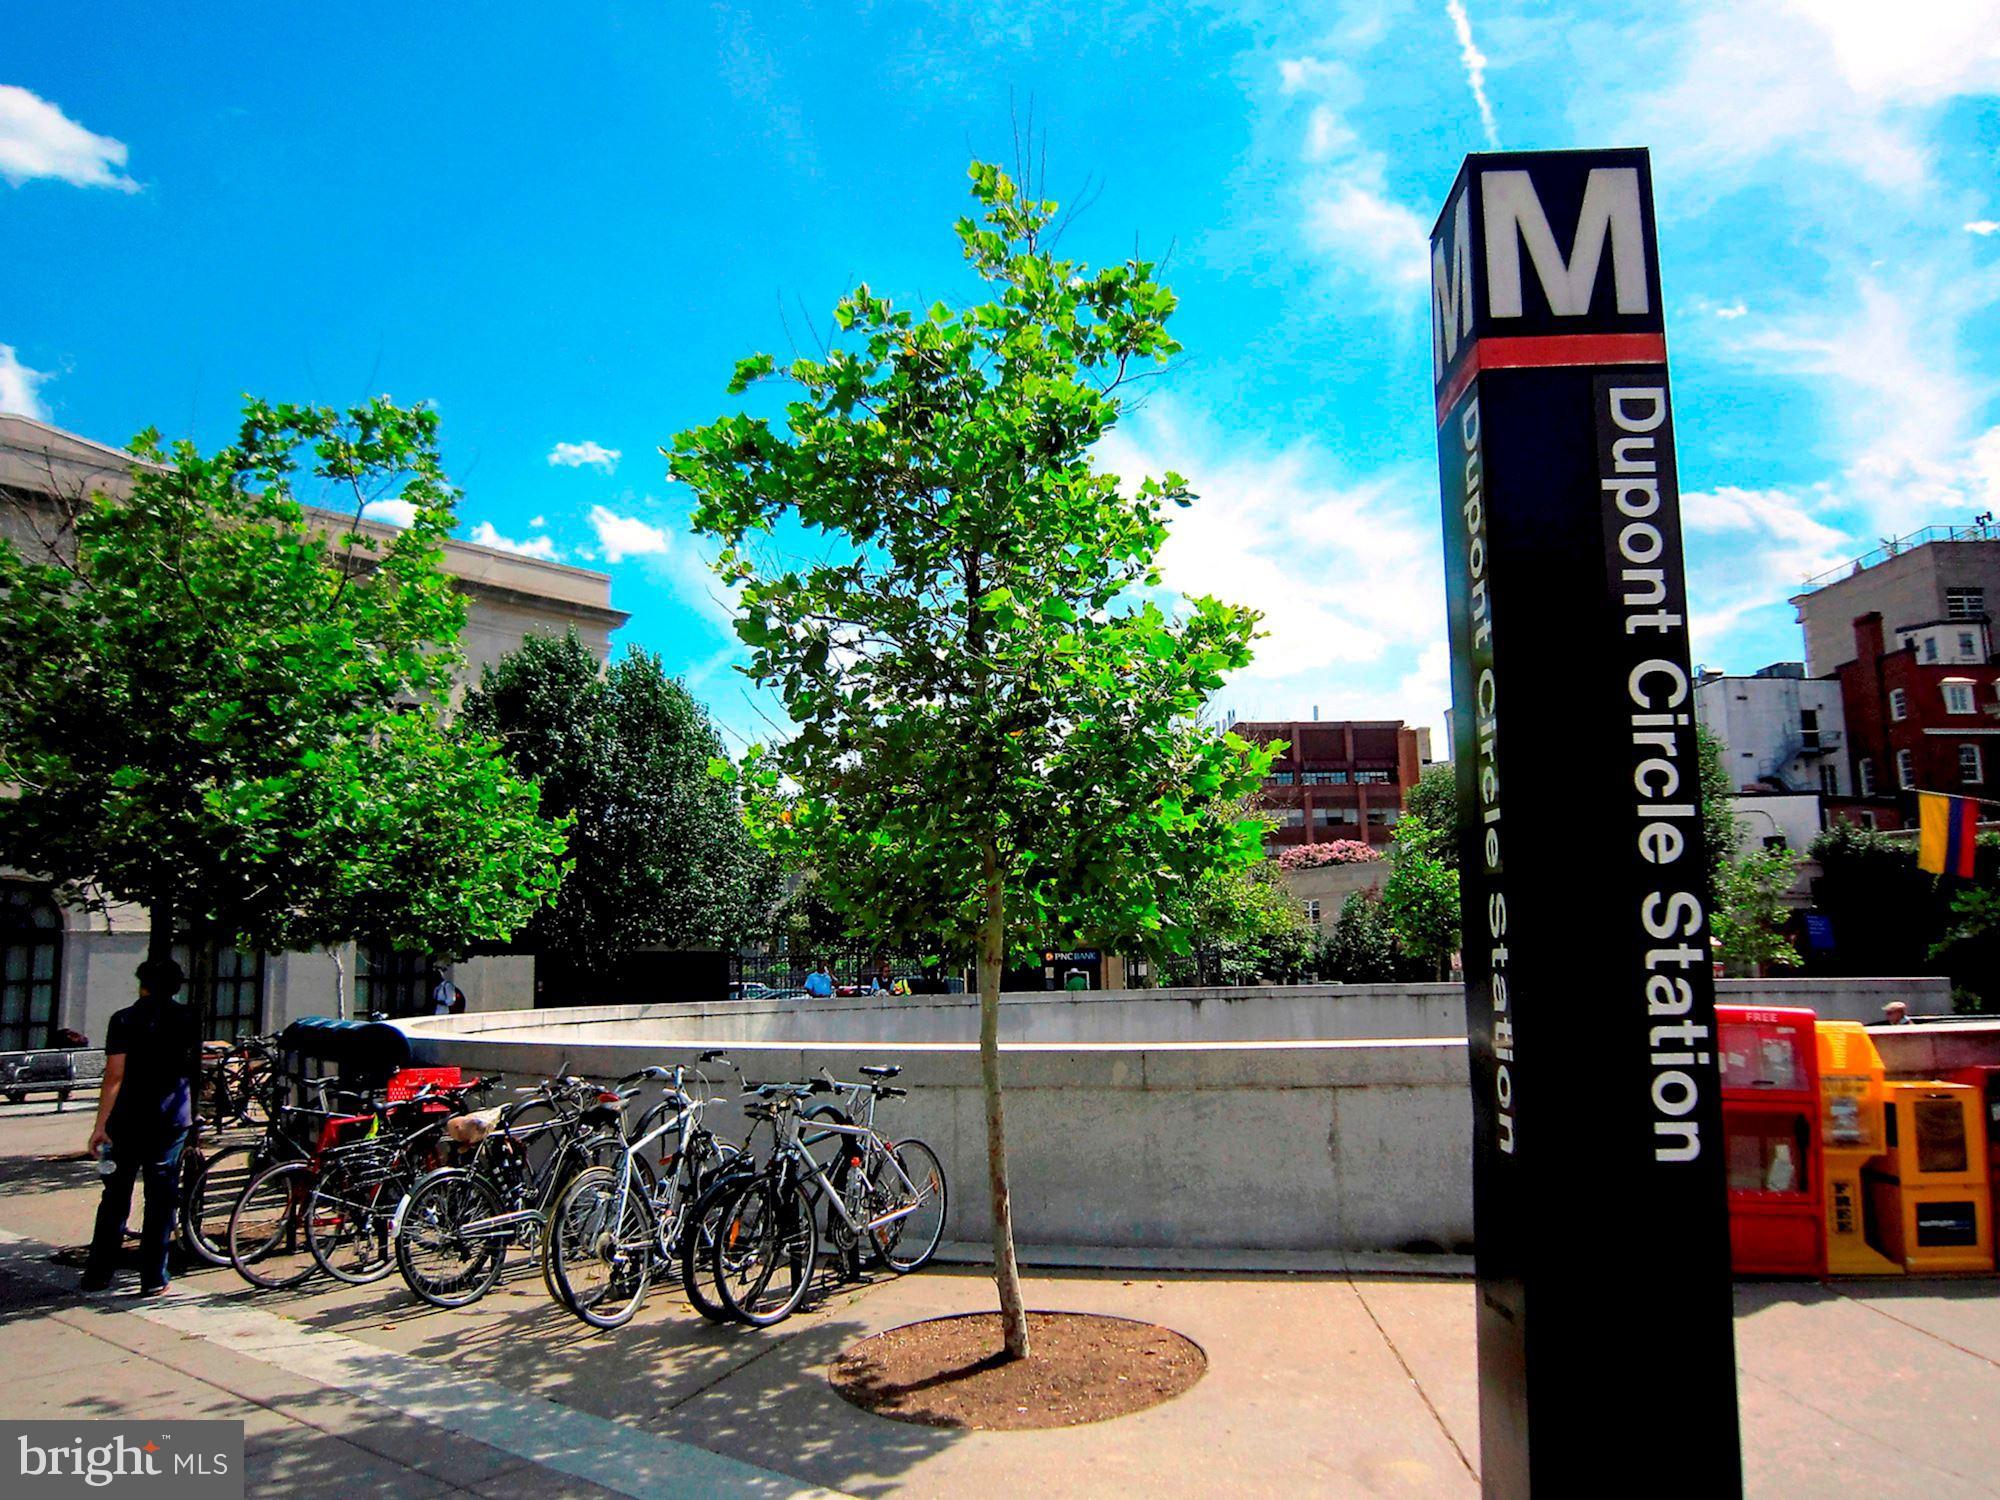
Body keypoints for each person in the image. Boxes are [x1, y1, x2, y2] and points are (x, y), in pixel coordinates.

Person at [82, 957, 201, 1296]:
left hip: (127, 1117)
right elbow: (191, 1068)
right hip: (171, 1116)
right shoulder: (188, 1018)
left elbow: (114, 1075)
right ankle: (153, 1276)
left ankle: (98, 1272)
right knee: (161, 1197)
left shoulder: (123, 1019)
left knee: (115, 1197)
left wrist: (100, 1124)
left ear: (142, 984)